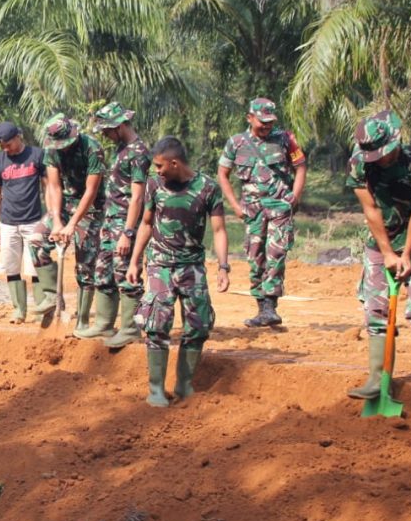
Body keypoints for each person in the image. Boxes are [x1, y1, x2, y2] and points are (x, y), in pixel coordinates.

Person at [128, 137, 230, 407]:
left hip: (192, 266)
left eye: (160, 165)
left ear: (174, 163)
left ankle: (184, 386)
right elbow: (146, 225)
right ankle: (156, 390)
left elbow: (219, 230)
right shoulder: (154, 186)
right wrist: (134, 261)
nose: (157, 170)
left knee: (198, 326)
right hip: (160, 264)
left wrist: (223, 266)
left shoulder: (208, 188)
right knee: (156, 324)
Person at [218, 98, 307, 327]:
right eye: (261, 122)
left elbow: (301, 167)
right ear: (250, 118)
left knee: (276, 254)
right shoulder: (236, 143)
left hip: (279, 207)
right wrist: (235, 206)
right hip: (253, 210)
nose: (266, 126)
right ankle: (261, 307)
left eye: (269, 122)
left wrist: (294, 197)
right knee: (255, 255)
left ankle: (270, 306)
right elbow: (222, 174)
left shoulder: (286, 139)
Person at [350, 110, 411, 400]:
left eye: (383, 153)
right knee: (375, 309)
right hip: (381, 242)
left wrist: (407, 254)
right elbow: (371, 210)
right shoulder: (358, 165)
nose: (379, 159)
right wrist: (389, 253)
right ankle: (379, 378)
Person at [90, 102, 152, 347]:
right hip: (110, 221)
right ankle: (104, 324)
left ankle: (130, 327)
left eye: (108, 129)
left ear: (120, 125)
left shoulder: (138, 153)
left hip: (125, 224)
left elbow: (137, 197)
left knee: (126, 272)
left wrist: (128, 233)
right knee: (103, 271)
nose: (104, 134)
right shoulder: (121, 149)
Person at [43, 113, 106, 334]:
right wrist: (58, 221)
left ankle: (83, 319)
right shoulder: (51, 150)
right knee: (36, 240)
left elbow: (91, 190)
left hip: (91, 207)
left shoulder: (92, 148)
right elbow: (54, 187)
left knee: (86, 263)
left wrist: (73, 225)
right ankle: (52, 299)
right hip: (64, 205)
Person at [0, 121, 52, 324]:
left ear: (18, 137)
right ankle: (19, 310)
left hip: (33, 221)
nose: (6, 149)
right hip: (8, 223)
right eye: (2, 146)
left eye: (8, 144)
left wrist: (50, 216)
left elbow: (48, 187)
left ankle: (43, 310)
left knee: (35, 267)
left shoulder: (37, 155)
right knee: (11, 267)